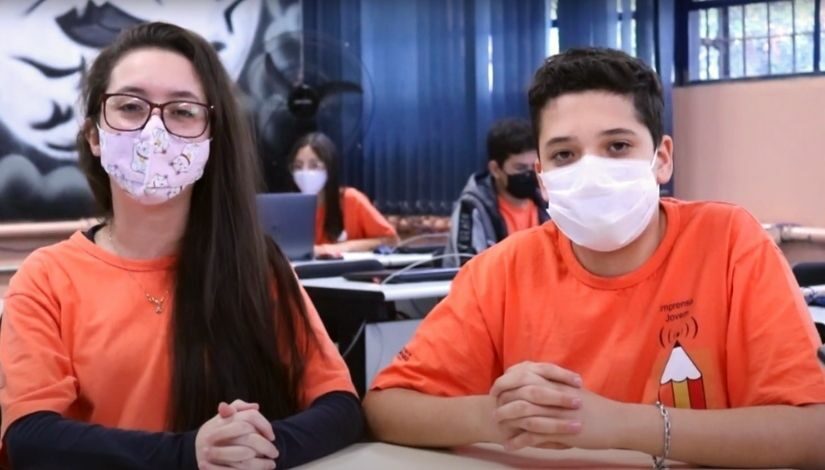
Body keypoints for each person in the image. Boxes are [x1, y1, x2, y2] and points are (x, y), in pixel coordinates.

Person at [363, 47, 825, 469]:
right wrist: (499, 415)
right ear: (541, 177)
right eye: (565, 154)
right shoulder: (500, 271)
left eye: (618, 146)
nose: (591, 171)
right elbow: (386, 407)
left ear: (662, 158)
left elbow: (811, 432)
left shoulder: (728, 243)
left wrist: (618, 425)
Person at [0, 22, 363, 469]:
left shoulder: (255, 262)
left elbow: (340, 406)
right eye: (130, 106)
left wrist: (256, 447)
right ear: (94, 135)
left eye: (183, 111)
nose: (155, 130)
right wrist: (188, 454)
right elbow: (30, 436)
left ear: (212, 139)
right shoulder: (47, 277)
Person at [445, 118, 549, 263]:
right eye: (520, 168)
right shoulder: (472, 209)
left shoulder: (549, 204)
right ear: (495, 169)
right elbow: (468, 269)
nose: (529, 174)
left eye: (534, 167)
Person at [287, 132, 399, 258]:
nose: (305, 172)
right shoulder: (289, 208)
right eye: (298, 166)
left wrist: (340, 248)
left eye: (314, 165)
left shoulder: (351, 199)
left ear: (330, 168)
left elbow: (391, 240)